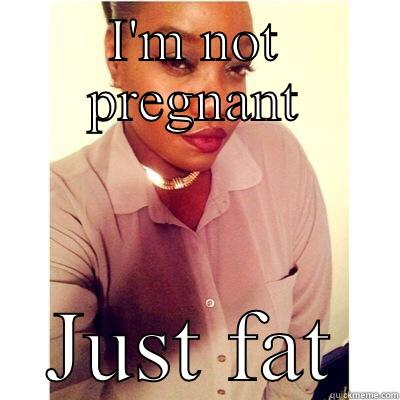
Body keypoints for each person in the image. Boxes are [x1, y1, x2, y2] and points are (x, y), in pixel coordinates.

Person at [50, 2, 332, 399]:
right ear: (116, 54)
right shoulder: (59, 211)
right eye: (178, 61)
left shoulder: (277, 155)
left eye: (237, 67)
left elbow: (300, 352)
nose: (217, 104)